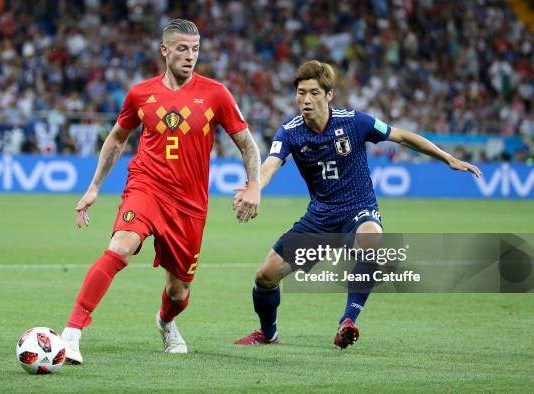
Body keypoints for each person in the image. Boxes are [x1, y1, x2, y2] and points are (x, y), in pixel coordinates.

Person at [234, 60, 481, 348]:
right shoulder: (290, 131)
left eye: (314, 92)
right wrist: (255, 187)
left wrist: (447, 158)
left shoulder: (353, 121)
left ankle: (348, 321)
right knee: (265, 276)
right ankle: (268, 334)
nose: (306, 100)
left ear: (329, 95)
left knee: (371, 237)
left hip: (358, 209)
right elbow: (270, 166)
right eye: (301, 92)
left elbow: (400, 136)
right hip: (320, 219)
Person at [62, 19, 261, 362]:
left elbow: (247, 144)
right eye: (182, 48)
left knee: (178, 290)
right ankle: (71, 332)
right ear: (164, 50)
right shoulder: (140, 93)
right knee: (121, 246)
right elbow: (116, 139)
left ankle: (166, 322)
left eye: (195, 49)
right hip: (147, 186)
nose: (190, 56)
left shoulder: (216, 93)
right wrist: (94, 187)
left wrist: (254, 185)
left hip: (189, 205)